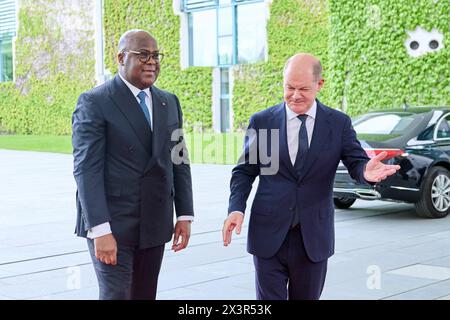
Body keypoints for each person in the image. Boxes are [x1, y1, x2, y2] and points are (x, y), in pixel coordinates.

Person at [222, 53, 400, 300]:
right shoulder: (264, 122)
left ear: (320, 84)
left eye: (303, 88)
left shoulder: (337, 124)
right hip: (268, 234)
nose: (295, 95)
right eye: (289, 87)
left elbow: (356, 163)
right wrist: (236, 208)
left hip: (312, 238)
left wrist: (366, 173)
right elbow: (245, 171)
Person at [72, 29, 194, 300]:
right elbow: (86, 169)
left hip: (154, 223)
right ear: (121, 57)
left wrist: (184, 214)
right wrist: (100, 230)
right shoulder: (95, 102)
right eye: (143, 55)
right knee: (116, 295)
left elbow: (179, 159)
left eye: (156, 56)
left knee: (144, 295)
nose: (152, 62)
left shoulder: (169, 101)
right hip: (112, 226)